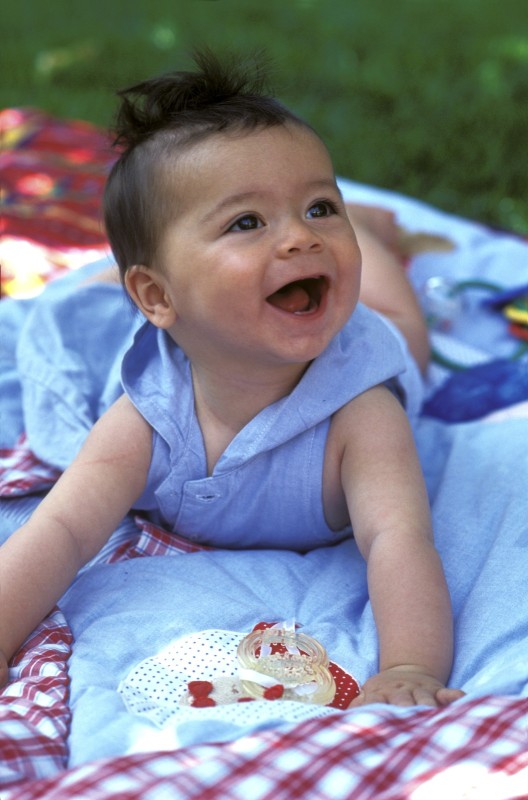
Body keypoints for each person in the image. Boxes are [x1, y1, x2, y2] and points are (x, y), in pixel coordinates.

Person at [0, 50, 463, 707]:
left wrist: (410, 667)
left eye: (319, 207)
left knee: (395, 313)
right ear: (157, 298)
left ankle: (370, 226)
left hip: (371, 331)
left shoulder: (360, 410)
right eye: (246, 222)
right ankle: (355, 216)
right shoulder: (148, 413)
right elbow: (64, 528)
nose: (301, 237)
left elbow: (398, 538)